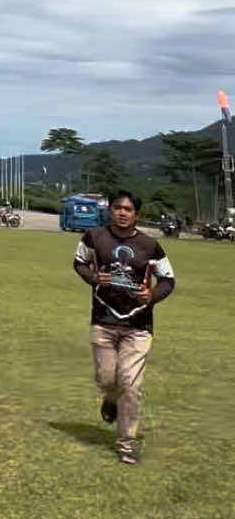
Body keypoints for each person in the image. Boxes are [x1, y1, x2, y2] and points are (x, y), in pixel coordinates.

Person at [72, 189, 176, 464]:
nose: (122, 213)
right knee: (106, 379)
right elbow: (79, 263)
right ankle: (110, 398)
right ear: (110, 210)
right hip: (103, 321)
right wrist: (94, 278)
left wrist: (152, 296)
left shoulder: (150, 246)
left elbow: (168, 280)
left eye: (128, 209)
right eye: (118, 208)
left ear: (136, 214)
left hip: (138, 324)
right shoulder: (94, 237)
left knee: (130, 384)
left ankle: (126, 444)